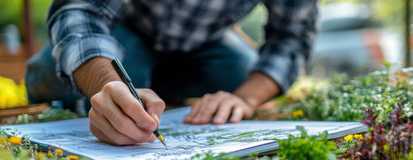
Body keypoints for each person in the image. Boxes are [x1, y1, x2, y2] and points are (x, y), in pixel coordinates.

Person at [26, 0, 318, 146]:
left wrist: (245, 99)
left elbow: (291, 39)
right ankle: (51, 76)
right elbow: (80, 10)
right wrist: (105, 82)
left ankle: (147, 82)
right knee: (80, 78)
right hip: (123, 29)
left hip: (207, 43)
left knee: (240, 70)